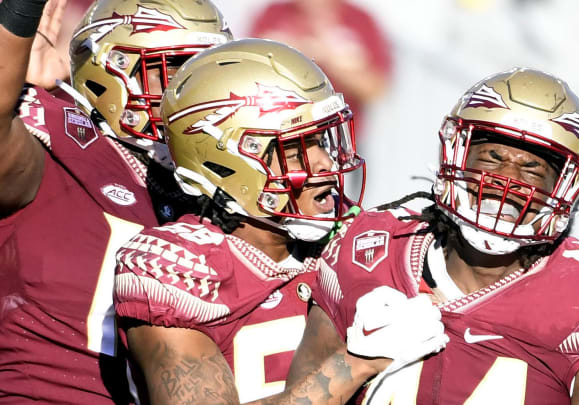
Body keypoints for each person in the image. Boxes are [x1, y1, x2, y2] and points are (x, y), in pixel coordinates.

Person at [288, 67, 579, 404]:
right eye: (493, 157)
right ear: (457, 153)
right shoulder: (371, 246)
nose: (506, 181)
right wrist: (354, 363)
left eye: (531, 167)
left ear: (565, 185)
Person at [113, 38, 446, 405]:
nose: (324, 163)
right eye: (295, 148)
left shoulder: (355, 239)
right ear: (228, 164)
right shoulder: (175, 268)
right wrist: (354, 364)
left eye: (322, 140)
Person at [0, 0, 230, 402]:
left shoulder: (218, 184)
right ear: (110, 73)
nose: (195, 96)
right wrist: (15, 43)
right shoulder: (54, 143)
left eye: (206, 74)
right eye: (173, 69)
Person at [248, 0, 392, 137]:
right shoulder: (272, 15)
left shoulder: (360, 20)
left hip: (340, 139)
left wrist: (327, 58)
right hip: (280, 136)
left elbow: (376, 89)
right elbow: (246, 76)